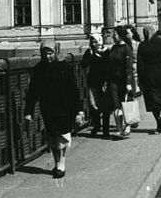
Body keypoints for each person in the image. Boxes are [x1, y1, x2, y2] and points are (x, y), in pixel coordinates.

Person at [24, 41, 83, 178]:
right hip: (48, 107)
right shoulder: (39, 69)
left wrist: (79, 110)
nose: (48, 57)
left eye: (50, 54)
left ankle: (61, 163)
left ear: (55, 52)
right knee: (52, 135)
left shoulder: (64, 66)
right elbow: (33, 91)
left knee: (62, 135)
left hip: (64, 106)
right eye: (45, 54)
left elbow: (73, 89)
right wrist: (28, 111)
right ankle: (57, 162)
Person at [105, 26, 135, 137]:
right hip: (113, 80)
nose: (113, 36)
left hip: (124, 81)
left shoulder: (126, 48)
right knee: (116, 104)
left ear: (120, 35)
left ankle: (127, 125)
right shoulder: (114, 48)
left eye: (115, 34)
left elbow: (129, 67)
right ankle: (119, 129)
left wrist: (128, 82)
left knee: (126, 103)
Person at [80, 33, 110, 136]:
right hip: (93, 82)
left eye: (95, 41)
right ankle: (97, 125)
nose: (93, 43)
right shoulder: (89, 52)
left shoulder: (106, 52)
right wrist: (92, 54)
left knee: (105, 106)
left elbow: (108, 67)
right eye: (92, 41)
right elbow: (83, 64)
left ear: (100, 41)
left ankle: (106, 130)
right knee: (94, 105)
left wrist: (107, 80)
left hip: (104, 83)